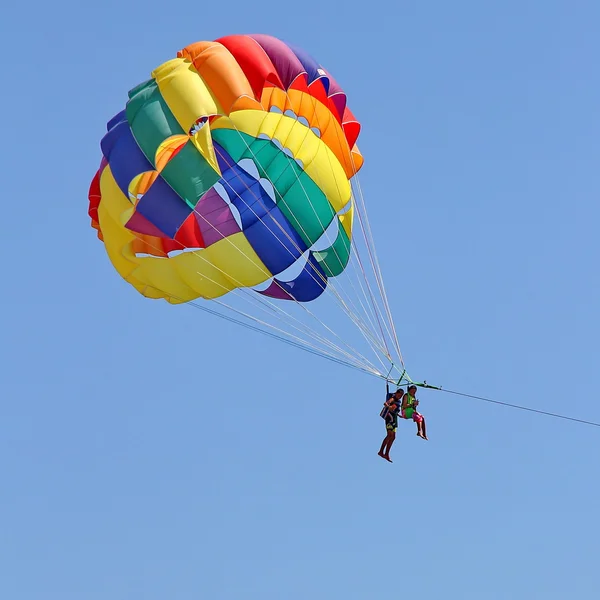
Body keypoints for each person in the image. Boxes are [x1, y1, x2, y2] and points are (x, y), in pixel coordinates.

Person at [378, 388, 404, 462]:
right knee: (389, 435)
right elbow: (385, 403)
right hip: (389, 418)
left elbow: (395, 410)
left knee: (393, 437)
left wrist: (399, 415)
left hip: (394, 419)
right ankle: (381, 451)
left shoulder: (399, 401)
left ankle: (386, 453)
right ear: (396, 393)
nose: (400, 397)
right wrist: (389, 407)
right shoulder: (392, 398)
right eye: (399, 395)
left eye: (401, 396)